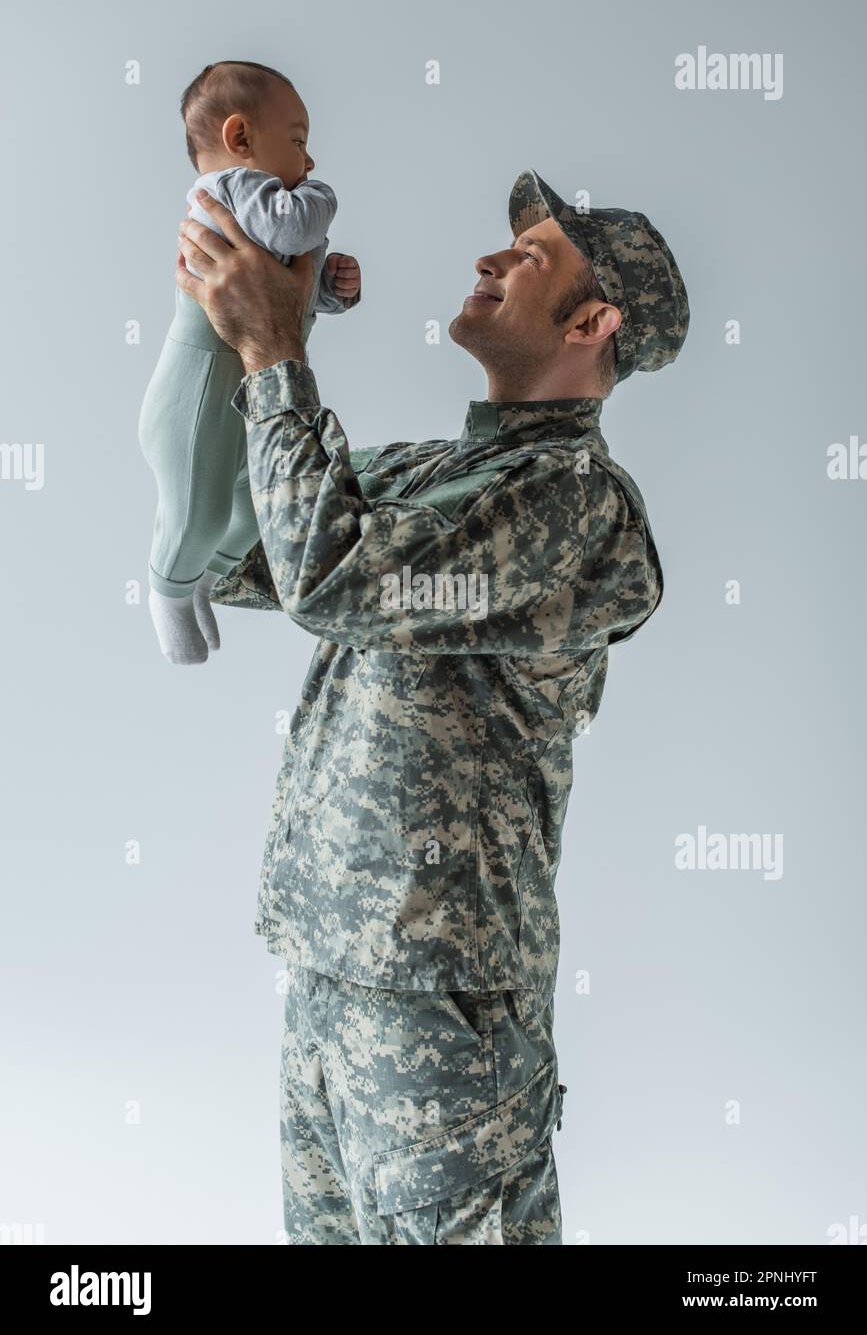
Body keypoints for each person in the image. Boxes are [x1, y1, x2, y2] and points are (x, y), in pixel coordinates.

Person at [174, 167, 689, 1245]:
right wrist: (225, 326)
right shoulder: (434, 471)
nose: (490, 260)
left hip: (446, 1016)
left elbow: (331, 574)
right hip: (333, 976)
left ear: (594, 322)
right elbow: (235, 548)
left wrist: (277, 354)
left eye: (531, 256)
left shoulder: (573, 507)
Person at [137, 60, 361, 664]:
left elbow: (293, 294)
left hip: (247, 400)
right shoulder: (234, 190)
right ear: (240, 140)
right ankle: (167, 593)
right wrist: (323, 197)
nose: (309, 163)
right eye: (298, 142)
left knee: (249, 514)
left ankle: (203, 583)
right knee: (198, 513)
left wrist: (334, 289)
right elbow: (292, 232)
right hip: (198, 399)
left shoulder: (261, 208)